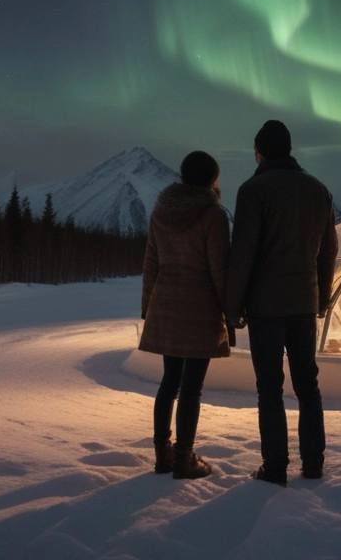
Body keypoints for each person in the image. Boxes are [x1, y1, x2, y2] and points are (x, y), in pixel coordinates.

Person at [226, 120, 338, 486]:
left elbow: (243, 253)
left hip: (265, 307)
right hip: (304, 302)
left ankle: (275, 467)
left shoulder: (253, 190)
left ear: (258, 152)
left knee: (270, 388)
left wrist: (233, 306)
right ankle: (314, 462)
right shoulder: (318, 190)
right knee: (308, 384)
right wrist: (321, 296)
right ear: (289, 150)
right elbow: (328, 252)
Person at [139, 150, 232, 479]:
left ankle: (162, 455)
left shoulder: (161, 212)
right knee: (191, 388)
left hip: (166, 305)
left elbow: (151, 264)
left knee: (169, 383)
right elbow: (220, 270)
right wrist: (231, 312)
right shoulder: (213, 215)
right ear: (212, 179)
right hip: (199, 309)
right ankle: (183, 458)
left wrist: (148, 307)